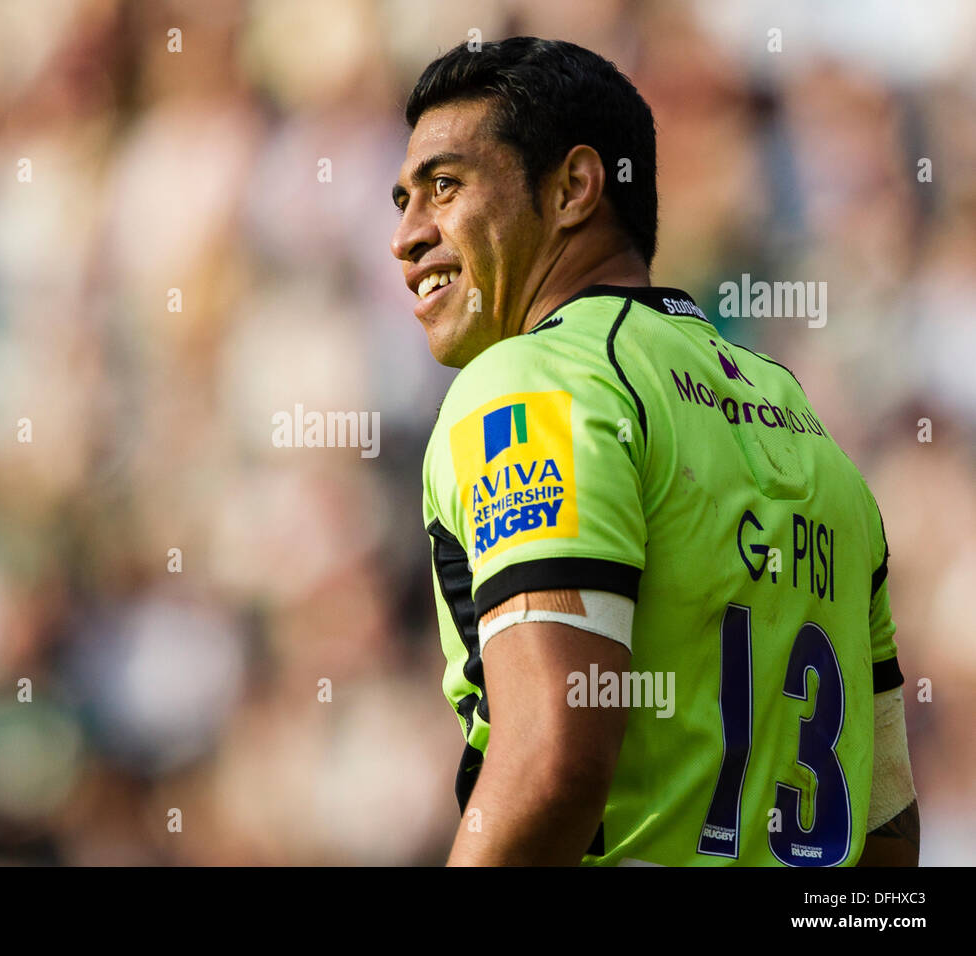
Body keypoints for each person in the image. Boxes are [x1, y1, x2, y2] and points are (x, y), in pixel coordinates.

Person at [391, 37, 919, 866]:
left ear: (573, 188)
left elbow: (552, 760)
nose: (408, 236)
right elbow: (889, 833)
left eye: (444, 186)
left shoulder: (530, 386)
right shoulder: (808, 429)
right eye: (403, 201)